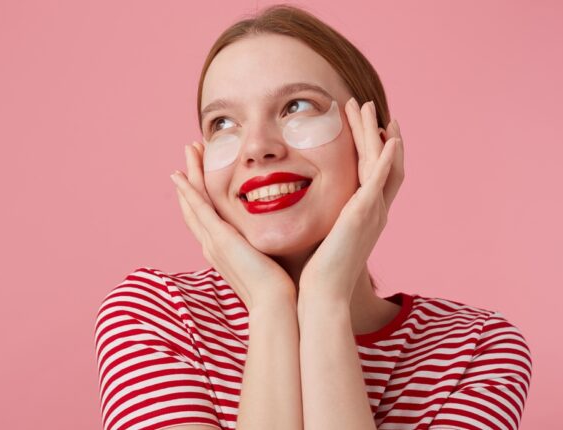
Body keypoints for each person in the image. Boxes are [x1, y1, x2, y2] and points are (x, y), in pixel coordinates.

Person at [94, 4, 532, 430]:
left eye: (297, 107)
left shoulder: (476, 352)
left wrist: (324, 304)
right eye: (224, 123)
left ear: (372, 142)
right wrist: (271, 305)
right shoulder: (155, 316)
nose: (256, 147)